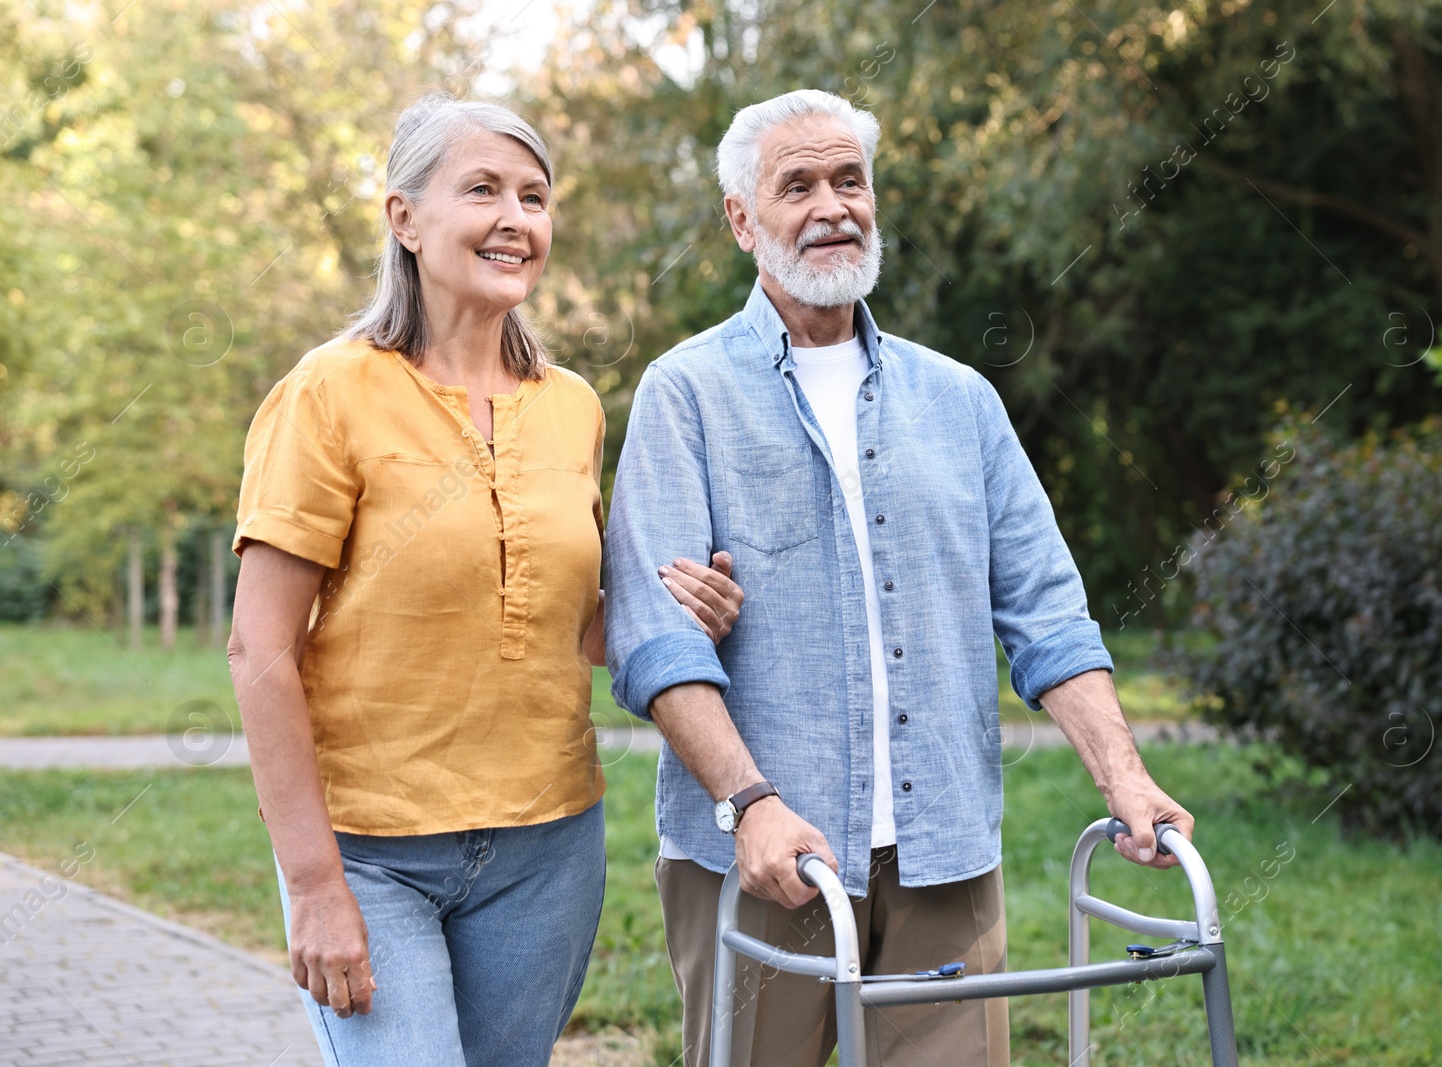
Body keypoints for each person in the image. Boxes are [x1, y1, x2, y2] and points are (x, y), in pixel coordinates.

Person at [603, 89, 1195, 1067]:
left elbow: (1047, 613)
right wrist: (749, 803)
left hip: (943, 853)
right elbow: (654, 638)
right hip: (760, 856)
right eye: (797, 185)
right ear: (742, 219)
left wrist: (1125, 778)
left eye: (850, 179)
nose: (833, 204)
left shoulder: (961, 399)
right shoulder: (686, 393)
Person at [226, 93, 744, 1067]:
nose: (516, 218)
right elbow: (260, 650)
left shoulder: (573, 407)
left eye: (534, 197)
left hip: (547, 849)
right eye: (483, 190)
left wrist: (675, 609)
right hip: (371, 850)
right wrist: (313, 882)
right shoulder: (328, 394)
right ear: (404, 218)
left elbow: (572, 623)